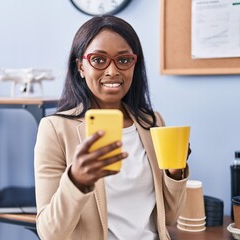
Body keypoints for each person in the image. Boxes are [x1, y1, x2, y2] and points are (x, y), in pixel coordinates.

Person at [34, 15, 190, 240]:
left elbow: (170, 217)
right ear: (80, 66)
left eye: (124, 60)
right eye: (99, 60)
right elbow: (50, 233)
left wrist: (176, 172)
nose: (112, 71)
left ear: (134, 64)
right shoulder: (55, 129)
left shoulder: (152, 122)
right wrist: (76, 181)